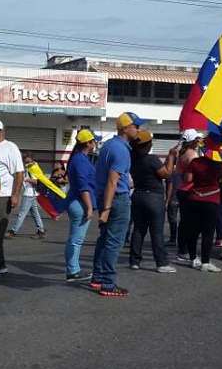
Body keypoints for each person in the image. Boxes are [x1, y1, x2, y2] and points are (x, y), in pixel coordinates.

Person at [89, 112, 145, 296]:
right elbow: (113, 181)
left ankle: (97, 278)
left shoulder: (109, 146)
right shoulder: (122, 150)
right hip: (116, 199)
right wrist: (106, 208)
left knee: (104, 239)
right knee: (114, 242)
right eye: (135, 126)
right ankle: (108, 283)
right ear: (124, 128)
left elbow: (110, 179)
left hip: (106, 196)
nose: (138, 129)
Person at [182, 136, 222, 272]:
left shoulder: (195, 162)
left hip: (194, 197)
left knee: (193, 231)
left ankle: (193, 259)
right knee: (208, 232)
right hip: (212, 200)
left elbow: (188, 179)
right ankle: (205, 262)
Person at [128, 130, 178, 273]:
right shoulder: (150, 159)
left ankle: (134, 260)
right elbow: (167, 173)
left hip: (138, 195)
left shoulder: (133, 158)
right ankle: (161, 263)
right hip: (153, 197)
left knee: (138, 230)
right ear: (147, 144)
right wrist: (171, 156)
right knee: (156, 232)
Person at [0, 119, 24, 276]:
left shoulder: (10, 148)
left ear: (2, 131)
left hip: (2, 195)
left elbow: (19, 173)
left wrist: (15, 194)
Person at [64, 129, 97, 281]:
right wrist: (89, 207)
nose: (95, 143)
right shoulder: (81, 160)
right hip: (80, 203)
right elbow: (84, 186)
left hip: (76, 201)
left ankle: (73, 269)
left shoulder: (78, 158)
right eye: (94, 141)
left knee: (75, 239)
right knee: (76, 240)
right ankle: (72, 271)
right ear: (89, 143)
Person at [173, 129, 203, 264]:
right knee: (191, 223)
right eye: (197, 139)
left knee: (184, 222)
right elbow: (195, 174)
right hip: (191, 190)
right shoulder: (192, 154)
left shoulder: (181, 154)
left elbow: (179, 171)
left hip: (182, 189)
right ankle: (187, 251)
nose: (198, 141)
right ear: (192, 140)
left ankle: (182, 249)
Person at [9, 151, 46, 239]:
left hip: (29, 193)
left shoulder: (32, 167)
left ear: (29, 158)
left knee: (22, 213)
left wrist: (26, 179)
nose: (23, 159)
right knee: (35, 213)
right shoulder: (30, 166)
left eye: (25, 157)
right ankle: (41, 230)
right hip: (31, 193)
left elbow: (36, 181)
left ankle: (13, 231)